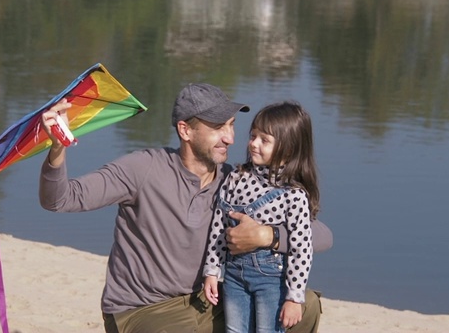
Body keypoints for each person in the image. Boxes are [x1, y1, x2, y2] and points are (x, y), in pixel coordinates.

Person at [38, 83, 324, 333]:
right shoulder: (143, 169)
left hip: (207, 300)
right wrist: (57, 148)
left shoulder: (234, 181)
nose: (230, 138)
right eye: (217, 128)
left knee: (307, 304)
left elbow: (320, 235)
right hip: (143, 310)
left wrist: (267, 236)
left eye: (232, 125)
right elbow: (60, 198)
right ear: (185, 130)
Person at [203, 101, 319, 332]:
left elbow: (301, 248)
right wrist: (212, 270)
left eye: (264, 140)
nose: (254, 144)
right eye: (253, 135)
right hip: (234, 275)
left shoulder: (293, 194)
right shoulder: (237, 177)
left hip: (271, 279)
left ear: (288, 149)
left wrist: (294, 298)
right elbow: (219, 225)